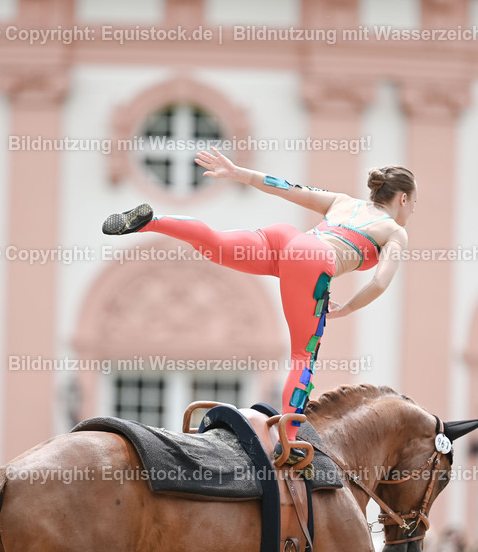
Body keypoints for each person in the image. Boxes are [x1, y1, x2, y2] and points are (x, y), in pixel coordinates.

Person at [102, 148, 414, 444]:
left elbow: (286, 188)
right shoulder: (394, 232)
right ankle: (289, 442)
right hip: (311, 260)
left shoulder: (345, 202)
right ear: (402, 198)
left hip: (287, 240)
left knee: (216, 244)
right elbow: (380, 283)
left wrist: (237, 172)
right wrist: (345, 309)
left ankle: (153, 222)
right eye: (413, 203)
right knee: (303, 356)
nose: (412, 209)